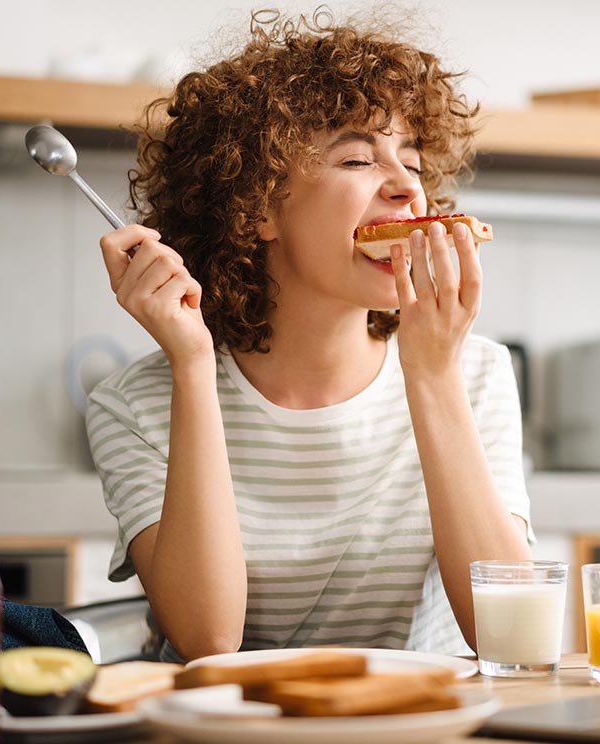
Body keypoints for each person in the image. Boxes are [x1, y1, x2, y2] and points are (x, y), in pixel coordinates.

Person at [86, 8, 533, 662]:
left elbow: (513, 639)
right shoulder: (137, 405)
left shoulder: (475, 373)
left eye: (411, 161)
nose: (407, 185)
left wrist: (433, 376)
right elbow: (210, 639)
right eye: (357, 158)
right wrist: (190, 364)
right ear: (257, 207)